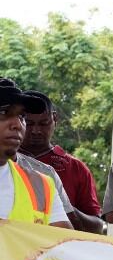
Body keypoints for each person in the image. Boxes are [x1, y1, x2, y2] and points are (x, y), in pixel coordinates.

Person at [19, 90, 105, 233]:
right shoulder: (6, 161)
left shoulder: (75, 167)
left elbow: (97, 227)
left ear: (55, 119)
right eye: (29, 123)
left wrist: (62, 205)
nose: (35, 130)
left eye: (43, 123)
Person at [0, 83, 71, 228]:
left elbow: (62, 245)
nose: (18, 124)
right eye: (4, 113)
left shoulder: (42, 184)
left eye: (22, 116)